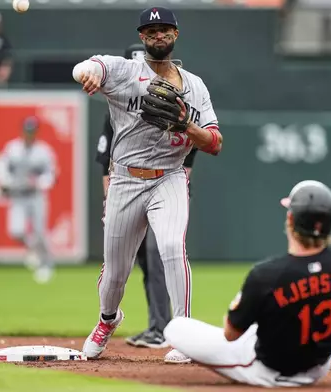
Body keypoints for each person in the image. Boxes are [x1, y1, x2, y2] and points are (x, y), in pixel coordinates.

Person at [73, 6, 223, 364]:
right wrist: (89, 75)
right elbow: (89, 67)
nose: (158, 35)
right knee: (115, 274)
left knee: (172, 247)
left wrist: (187, 126)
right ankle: (108, 320)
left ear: (175, 35)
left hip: (169, 178)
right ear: (143, 37)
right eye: (151, 30)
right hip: (126, 179)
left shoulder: (195, 86)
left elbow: (215, 143)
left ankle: (184, 333)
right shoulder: (127, 72)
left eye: (165, 29)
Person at [164, 180, 331, 387]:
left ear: (291, 219)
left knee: (176, 327)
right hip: (318, 365)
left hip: (269, 369)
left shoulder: (266, 274)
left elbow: (231, 334)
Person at [95, 43, 199, 349]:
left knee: (161, 252)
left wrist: (172, 189)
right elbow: (106, 161)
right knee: (123, 265)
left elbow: (189, 155)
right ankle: (142, 322)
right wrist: (109, 201)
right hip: (126, 187)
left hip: (164, 186)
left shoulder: (177, 101)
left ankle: (165, 327)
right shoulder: (118, 106)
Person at [0, 116, 58, 284]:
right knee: (16, 231)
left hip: (36, 196)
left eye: (32, 130)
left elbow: (51, 174)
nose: (29, 133)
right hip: (18, 196)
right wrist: (5, 182)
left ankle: (46, 264)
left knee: (39, 232)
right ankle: (33, 251)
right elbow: (1, 167)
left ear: (36, 132)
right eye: (27, 130)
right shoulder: (12, 148)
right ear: (22, 131)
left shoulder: (43, 151)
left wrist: (39, 182)